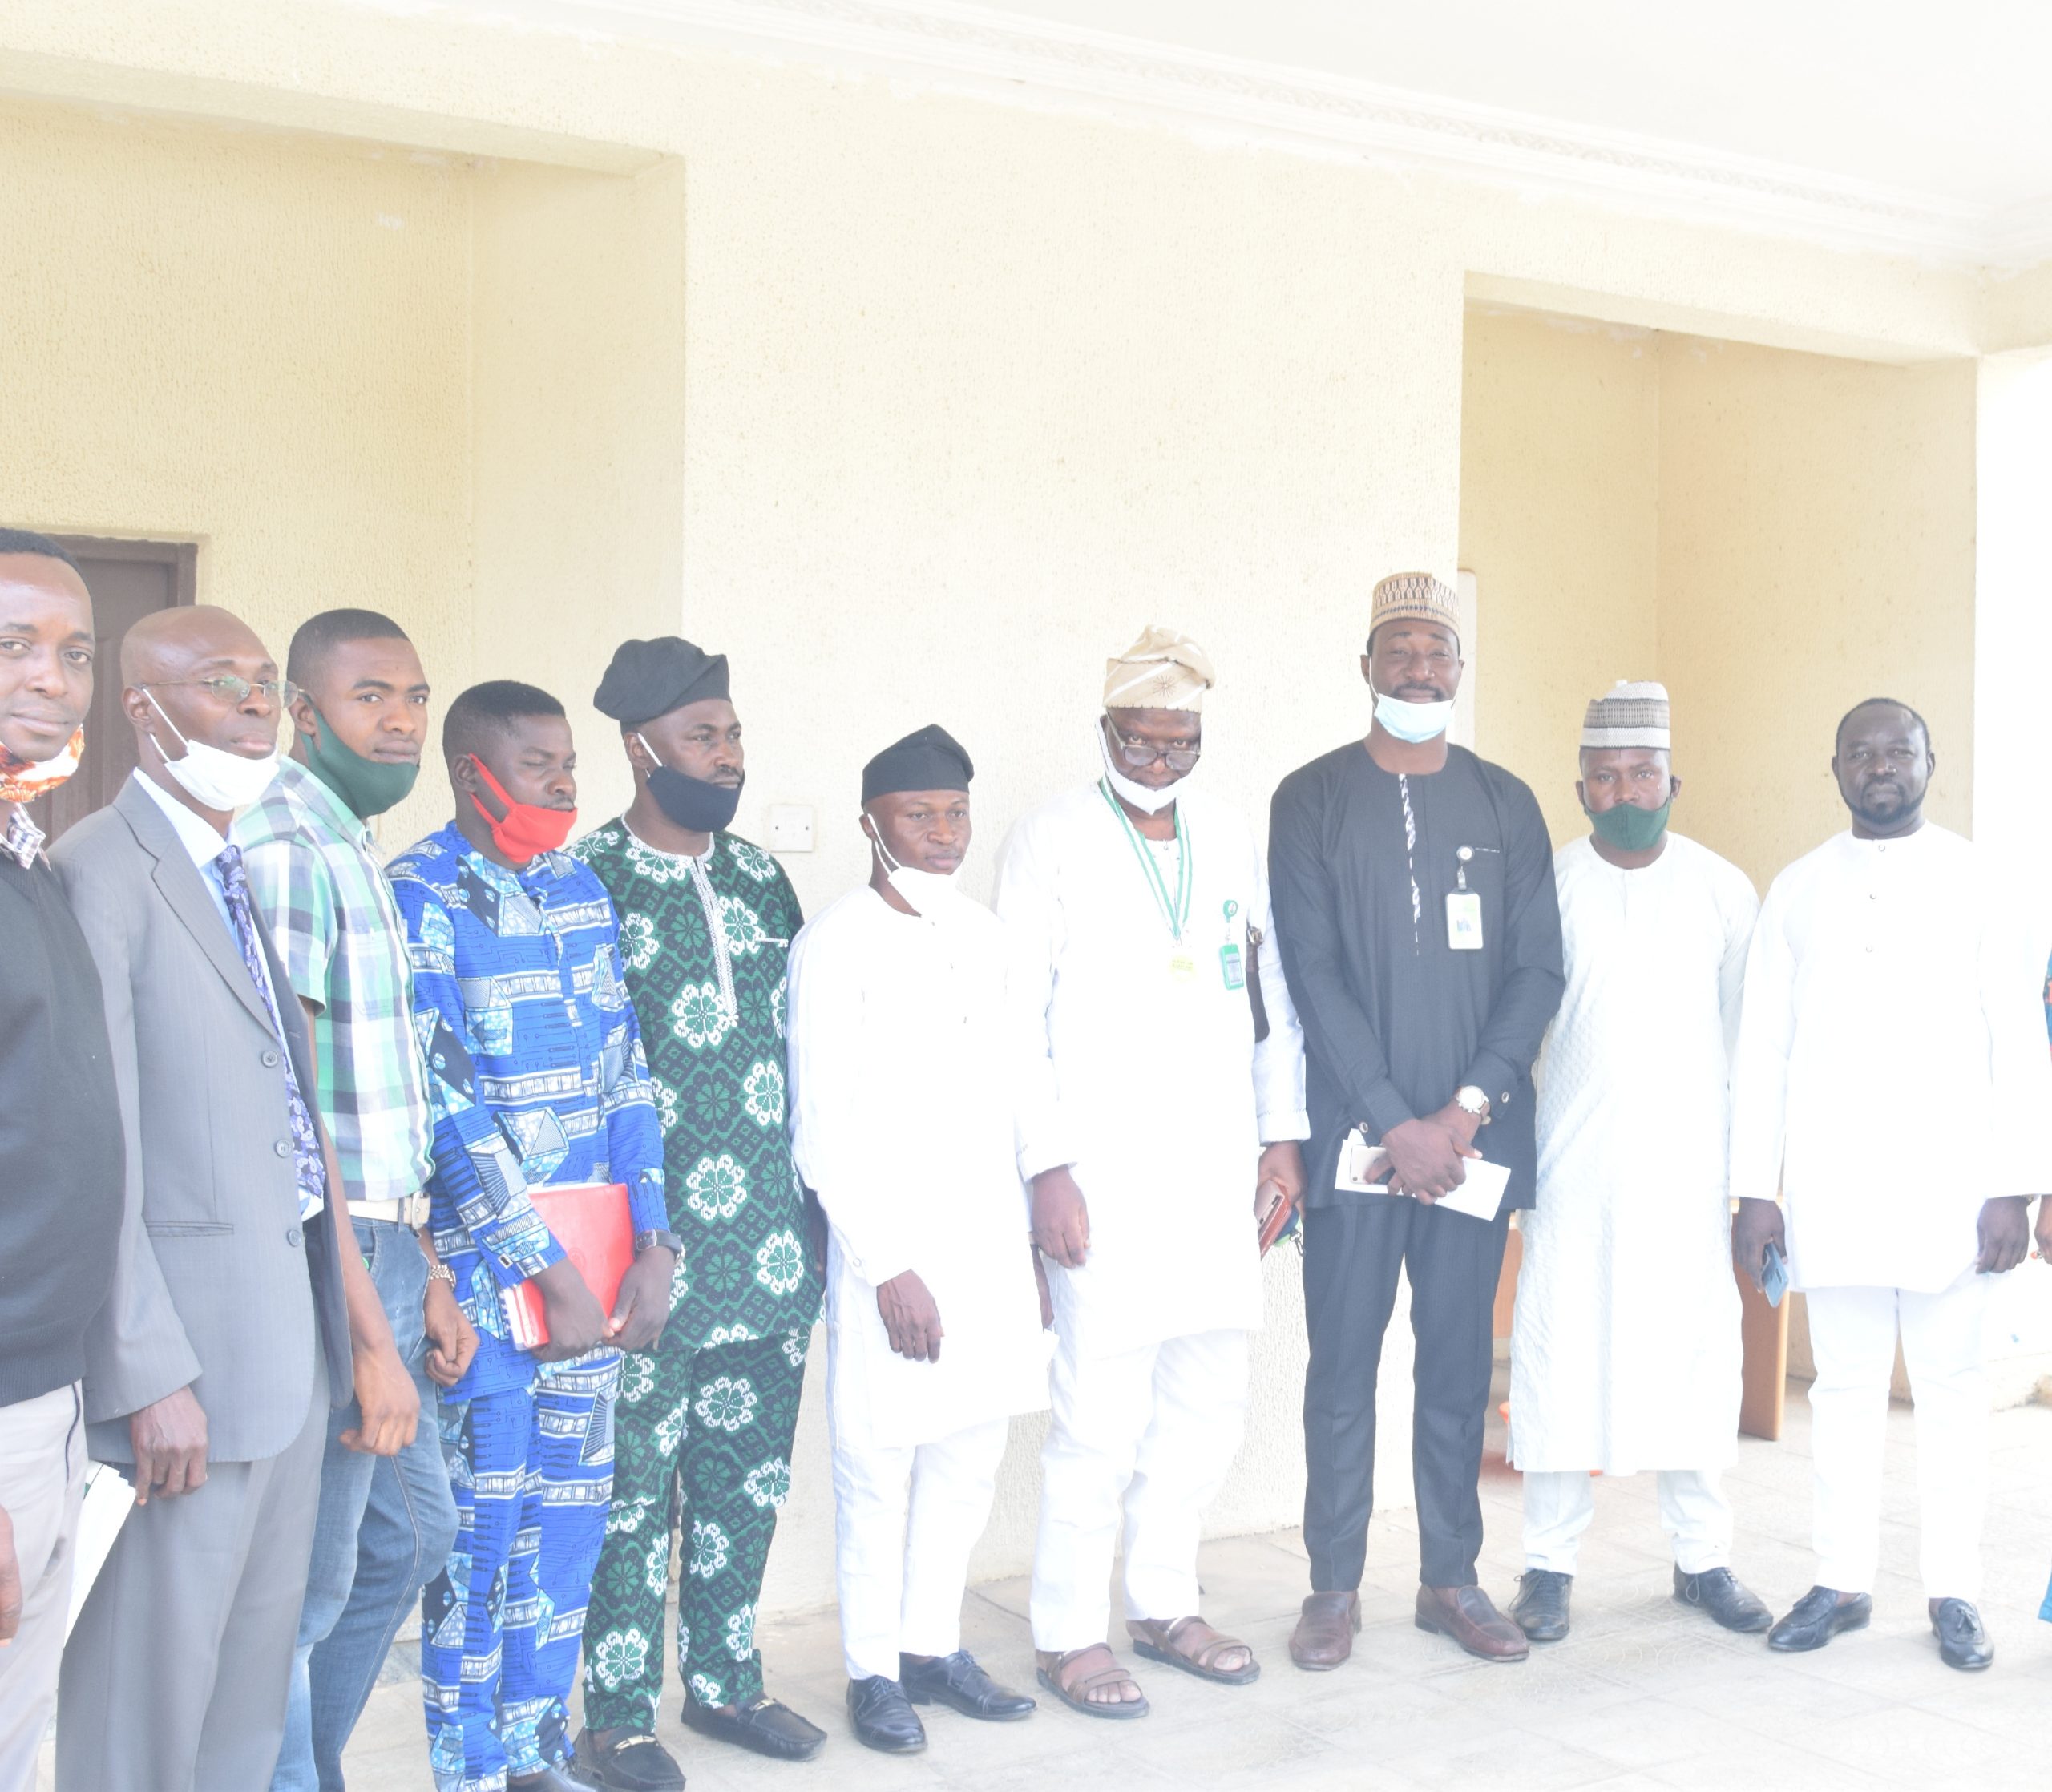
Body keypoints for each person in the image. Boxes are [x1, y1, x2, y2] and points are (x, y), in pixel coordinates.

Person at [52, 604, 411, 1790]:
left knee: (244, 1712)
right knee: (144, 1718)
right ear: (143, 712)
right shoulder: (101, 870)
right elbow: (99, 1149)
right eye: (220, 682)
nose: (255, 703)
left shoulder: (233, 863)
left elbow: (295, 1126)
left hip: (285, 1361)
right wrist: (148, 1372)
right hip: (186, 1385)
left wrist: (357, 1335)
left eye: (262, 680)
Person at [994, 625, 1307, 1719]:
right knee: (1098, 1417)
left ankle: (1164, 1604)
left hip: (1214, 1171)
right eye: (1140, 738)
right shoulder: (1050, 838)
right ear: (1105, 730)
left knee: (1208, 1402)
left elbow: (1271, 999)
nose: (1160, 759)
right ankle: (1067, 1632)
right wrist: (1046, 1168)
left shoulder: (1226, 834)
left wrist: (1282, 1134)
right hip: (1102, 1176)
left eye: (1181, 741)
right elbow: (1014, 1018)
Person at [1269, 571, 1563, 1670]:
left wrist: (1462, 1110)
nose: (1419, 668)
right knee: (1341, 1370)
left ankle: (1451, 1579)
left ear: (1459, 669)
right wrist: (1396, 1122)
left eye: (1437, 650)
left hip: (1471, 1150)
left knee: (1454, 1369)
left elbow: (1538, 971)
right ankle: (1332, 1587)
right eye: (1398, 649)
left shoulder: (1505, 801)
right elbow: (1311, 971)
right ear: (1366, 667)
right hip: (1358, 1146)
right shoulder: (1311, 797)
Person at [1729, 697, 2052, 1672]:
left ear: (1928, 762)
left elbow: (2017, 1039)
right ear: (1834, 769)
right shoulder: (1796, 888)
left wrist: (2016, 1185)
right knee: (1844, 1389)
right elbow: (1762, 1045)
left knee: (1950, 1391)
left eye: (1897, 751)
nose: (1880, 766)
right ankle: (1839, 1580)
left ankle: (1954, 1590)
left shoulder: (1981, 880)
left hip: (1955, 1187)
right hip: (1831, 1184)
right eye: (1860, 752)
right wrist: (1755, 1187)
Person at [390, 680, 670, 1791]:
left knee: (567, 1530)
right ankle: (469, 1770)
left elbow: (627, 1070)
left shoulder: (580, 889)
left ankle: (536, 1753)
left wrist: (654, 1240)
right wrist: (538, 1268)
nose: (563, 783)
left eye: (568, 763)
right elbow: (447, 1109)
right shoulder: (417, 895)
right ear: (474, 773)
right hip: (487, 1284)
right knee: (481, 1539)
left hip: (598, 1274)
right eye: (539, 764)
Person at [569, 639, 826, 1787]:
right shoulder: (588, 880)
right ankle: (617, 1718)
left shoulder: (764, 879)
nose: (726, 755)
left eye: (731, 734)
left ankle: (724, 1684)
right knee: (631, 1500)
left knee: (743, 1484)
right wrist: (631, 1241)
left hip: (769, 1245)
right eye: (702, 736)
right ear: (641, 748)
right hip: (646, 1258)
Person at [235, 608, 473, 1791]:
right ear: (303, 710)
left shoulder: (347, 841)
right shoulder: (286, 844)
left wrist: (423, 1263)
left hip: (385, 1242)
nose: (401, 721)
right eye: (369, 695)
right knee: (308, 1584)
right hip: (324, 1257)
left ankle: (305, 1767)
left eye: (414, 696)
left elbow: (370, 1091)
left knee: (413, 1537)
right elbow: (283, 1104)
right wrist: (367, 1322)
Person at [788, 725, 1048, 1754]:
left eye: (954, 814)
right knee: (878, 1464)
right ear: (871, 824)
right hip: (888, 1256)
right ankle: (871, 1670)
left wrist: (1029, 1240)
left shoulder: (986, 935)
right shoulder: (837, 942)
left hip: (986, 1241)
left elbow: (1020, 1086)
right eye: (918, 815)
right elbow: (819, 1127)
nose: (942, 833)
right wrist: (887, 1264)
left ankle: (933, 1646)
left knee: (968, 1453)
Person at [1505, 681, 1771, 1643]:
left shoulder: (1722, 889)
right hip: (1571, 1172)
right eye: (1606, 776)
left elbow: (1749, 1044)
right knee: (1558, 1357)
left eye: (1643, 773)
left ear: (1673, 782)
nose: (1625, 792)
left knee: (1692, 1359)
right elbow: (1515, 1031)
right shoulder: (1546, 885)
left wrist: (1751, 1183)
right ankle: (1547, 1568)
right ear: (1578, 788)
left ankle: (1703, 1560)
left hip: (1687, 1176)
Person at [0, 531, 122, 1792]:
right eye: (12, 645)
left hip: (51, 1387)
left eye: (73, 652)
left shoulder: (28, 859)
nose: (51, 677)